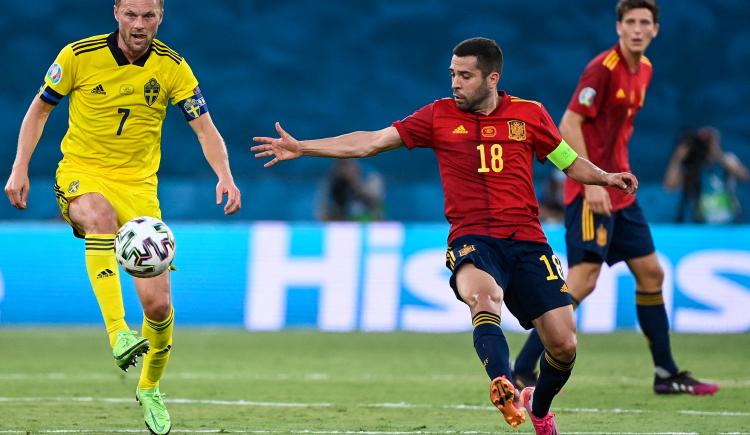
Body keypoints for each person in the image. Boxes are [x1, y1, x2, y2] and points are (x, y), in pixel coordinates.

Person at [253, 37, 638, 435]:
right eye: (453, 74)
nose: (455, 83)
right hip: (472, 237)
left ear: (492, 78)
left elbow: (568, 162)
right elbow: (370, 142)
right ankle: (502, 381)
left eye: (465, 75)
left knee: (564, 343)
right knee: (483, 297)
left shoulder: (530, 115)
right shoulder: (437, 116)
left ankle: (538, 408)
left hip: (527, 240)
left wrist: (606, 177)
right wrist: (304, 147)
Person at [3, 0, 242, 433]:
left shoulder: (173, 68)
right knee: (99, 215)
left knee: (159, 304)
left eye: (148, 15)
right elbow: (39, 110)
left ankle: (150, 388)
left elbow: (204, 127)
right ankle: (118, 333)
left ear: (161, 16)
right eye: (130, 14)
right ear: (116, 12)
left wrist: (225, 175)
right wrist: (20, 167)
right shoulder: (77, 55)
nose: (138, 24)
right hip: (82, 172)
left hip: (140, 189)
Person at [512, 0, 719, 397]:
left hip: (622, 194)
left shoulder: (645, 70)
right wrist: (591, 184)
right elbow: (568, 123)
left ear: (656, 29)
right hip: (592, 192)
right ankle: (523, 369)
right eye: (631, 22)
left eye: (645, 22)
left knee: (652, 275)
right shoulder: (601, 69)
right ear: (619, 27)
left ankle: (665, 373)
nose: (638, 29)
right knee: (584, 280)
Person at [664, 126, 749, 223]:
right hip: (703, 227)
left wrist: (718, 154)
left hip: (729, 225)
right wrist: (677, 159)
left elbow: (744, 176)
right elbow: (669, 186)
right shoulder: (692, 167)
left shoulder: (727, 160)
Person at [317, 159, 384, 221]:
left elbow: (376, 201)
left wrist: (355, 182)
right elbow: (322, 212)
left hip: (369, 221)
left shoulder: (370, 174)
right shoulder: (332, 180)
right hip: (344, 224)